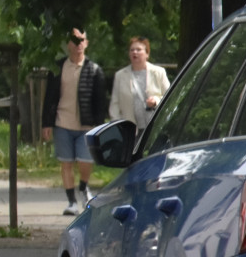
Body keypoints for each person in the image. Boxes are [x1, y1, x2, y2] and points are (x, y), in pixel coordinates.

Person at [42, 27, 107, 216]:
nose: (78, 45)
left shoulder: (95, 70)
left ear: (86, 43)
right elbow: (49, 98)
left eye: (82, 40)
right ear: (68, 44)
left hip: (87, 125)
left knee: (85, 161)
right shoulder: (57, 68)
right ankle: (71, 202)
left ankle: (83, 187)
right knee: (66, 163)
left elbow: (100, 102)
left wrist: (100, 126)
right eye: (74, 41)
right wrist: (46, 123)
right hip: (63, 122)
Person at [109, 36, 171, 135]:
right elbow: (115, 104)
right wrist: (117, 126)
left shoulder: (159, 72)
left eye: (138, 50)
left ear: (147, 53)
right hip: (130, 130)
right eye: (132, 50)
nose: (135, 52)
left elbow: (170, 97)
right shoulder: (120, 75)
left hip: (154, 128)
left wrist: (156, 101)